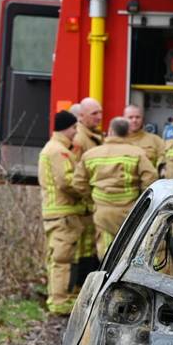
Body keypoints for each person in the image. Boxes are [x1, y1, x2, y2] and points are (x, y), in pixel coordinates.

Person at [72, 117, 159, 259]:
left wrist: (92, 198)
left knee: (107, 256)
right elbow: (150, 179)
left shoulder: (91, 155)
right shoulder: (137, 153)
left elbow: (78, 183)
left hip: (103, 213)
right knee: (128, 254)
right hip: (130, 213)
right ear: (127, 132)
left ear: (110, 131)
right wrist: (141, 201)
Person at [37, 110, 88, 315]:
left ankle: (59, 298)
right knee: (62, 259)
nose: (76, 131)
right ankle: (59, 302)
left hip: (57, 212)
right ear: (67, 128)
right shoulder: (59, 151)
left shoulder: (54, 148)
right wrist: (86, 192)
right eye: (75, 127)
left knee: (58, 257)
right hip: (63, 213)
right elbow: (67, 181)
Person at [70, 97, 104, 277]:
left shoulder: (95, 136)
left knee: (90, 245)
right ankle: (79, 284)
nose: (99, 117)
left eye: (100, 112)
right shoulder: (79, 139)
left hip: (92, 203)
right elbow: (77, 175)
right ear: (81, 116)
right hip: (84, 204)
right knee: (84, 247)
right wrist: (88, 198)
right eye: (94, 113)